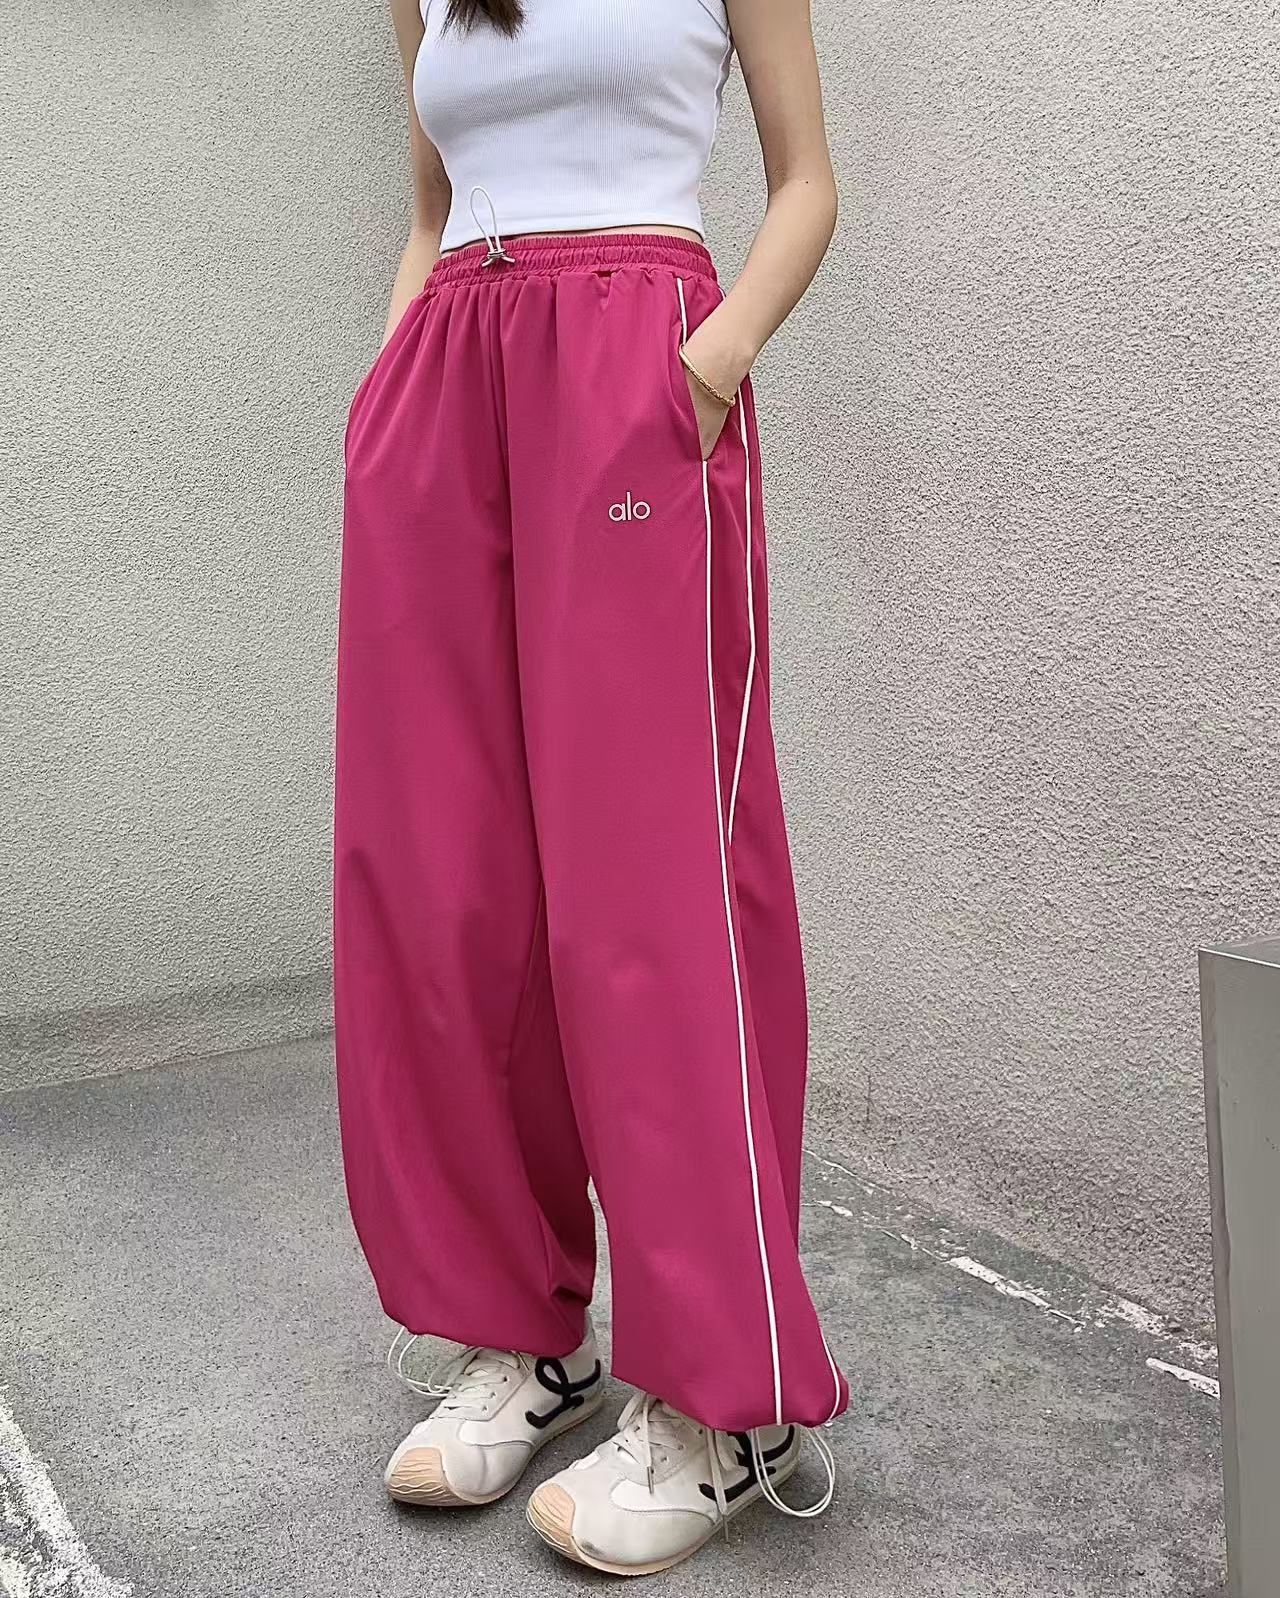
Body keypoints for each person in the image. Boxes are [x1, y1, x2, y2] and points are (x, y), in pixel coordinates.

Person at [333, 0, 846, 1573]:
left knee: (653, 888)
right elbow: (432, 206)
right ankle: (519, 1330)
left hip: (634, 370)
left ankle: (730, 1403)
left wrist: (710, 362)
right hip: (450, 386)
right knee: (446, 883)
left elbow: (808, 182)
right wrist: (393, 383)